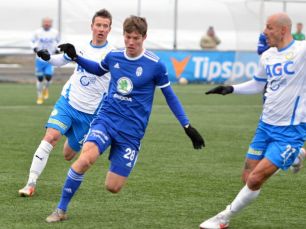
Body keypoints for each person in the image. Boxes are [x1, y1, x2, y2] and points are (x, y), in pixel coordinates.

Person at [45, 15, 205, 223]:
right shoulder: (114, 56)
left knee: (113, 187)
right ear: (124, 36)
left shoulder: (155, 65)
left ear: (144, 37)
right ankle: (60, 210)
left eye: (136, 38)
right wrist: (76, 57)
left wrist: (187, 125)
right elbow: (98, 69)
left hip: (131, 131)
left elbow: (170, 97)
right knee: (85, 159)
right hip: (107, 120)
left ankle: (123, 156)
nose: (131, 42)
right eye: (128, 37)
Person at [200, 12, 306, 229]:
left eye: (269, 27)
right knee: (247, 176)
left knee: (256, 179)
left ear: (283, 30)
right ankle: (296, 157)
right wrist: (230, 89)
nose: (264, 32)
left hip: (290, 131)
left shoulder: (301, 52)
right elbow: (258, 84)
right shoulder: (267, 56)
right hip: (265, 126)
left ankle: (222, 218)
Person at [18, 9, 113, 197]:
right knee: (50, 137)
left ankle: (71, 137)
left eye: (105, 26)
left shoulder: (113, 54)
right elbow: (60, 60)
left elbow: (98, 71)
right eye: (98, 25)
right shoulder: (78, 46)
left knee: (68, 154)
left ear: (109, 29)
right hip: (68, 104)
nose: (101, 29)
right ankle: (30, 184)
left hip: (89, 114)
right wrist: (47, 57)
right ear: (92, 26)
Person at [31, 17, 60, 105]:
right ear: (42, 23)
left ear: (51, 24)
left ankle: (46, 88)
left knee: (48, 76)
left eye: (48, 22)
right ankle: (39, 96)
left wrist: (57, 49)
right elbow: (32, 42)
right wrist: (34, 48)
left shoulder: (55, 33)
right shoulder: (37, 32)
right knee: (40, 78)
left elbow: (59, 42)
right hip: (39, 59)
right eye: (45, 22)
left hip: (50, 59)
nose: (47, 24)